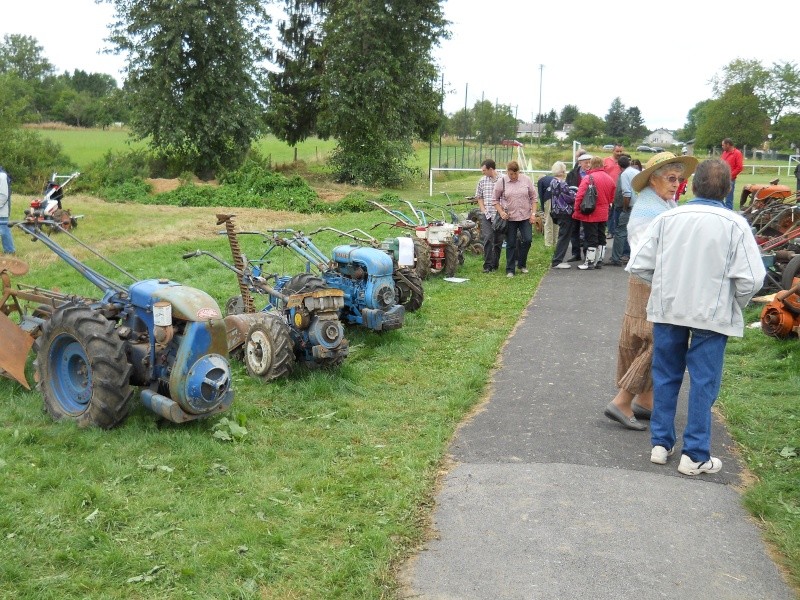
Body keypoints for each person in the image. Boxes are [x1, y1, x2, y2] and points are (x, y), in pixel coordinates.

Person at [628, 158, 765, 475]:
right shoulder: (735, 224)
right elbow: (753, 279)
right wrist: (735, 302)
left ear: (693, 185)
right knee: (704, 382)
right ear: (728, 188)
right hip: (712, 313)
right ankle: (695, 453)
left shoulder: (668, 219)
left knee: (666, 375)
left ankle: (660, 445)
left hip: (669, 307)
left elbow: (639, 264)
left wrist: (662, 285)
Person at [604, 151, 698, 431]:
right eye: (671, 178)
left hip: (648, 281)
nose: (676, 184)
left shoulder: (658, 203)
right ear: (653, 179)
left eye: (679, 179)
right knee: (658, 342)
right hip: (651, 282)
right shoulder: (651, 210)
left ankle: (645, 401)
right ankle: (622, 401)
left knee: (643, 340)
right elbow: (653, 254)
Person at [493, 160, 537, 278]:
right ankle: (510, 269)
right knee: (511, 243)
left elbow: (533, 198)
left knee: (527, 240)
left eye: (515, 174)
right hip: (510, 218)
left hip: (525, 216)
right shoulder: (501, 182)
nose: (513, 176)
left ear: (518, 172)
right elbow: (495, 200)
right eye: (510, 174)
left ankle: (522, 264)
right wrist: (501, 212)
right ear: (507, 172)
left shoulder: (526, 180)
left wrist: (533, 214)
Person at [572, 155, 614, 270]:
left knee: (591, 237)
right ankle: (599, 261)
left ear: (592, 164)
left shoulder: (588, 178)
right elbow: (611, 197)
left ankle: (589, 262)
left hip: (591, 212)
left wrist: (576, 209)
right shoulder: (609, 178)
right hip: (604, 212)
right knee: (601, 237)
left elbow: (580, 195)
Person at [474, 159, 503, 273]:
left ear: (491, 169)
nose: (483, 172)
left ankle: (495, 264)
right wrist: (483, 209)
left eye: (484, 170)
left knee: (498, 240)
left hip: (499, 215)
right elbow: (479, 197)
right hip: (487, 215)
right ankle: (487, 265)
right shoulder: (482, 181)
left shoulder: (503, 179)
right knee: (487, 238)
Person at [546, 161, 575, 269]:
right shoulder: (562, 183)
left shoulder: (553, 182)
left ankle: (557, 259)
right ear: (562, 171)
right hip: (565, 211)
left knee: (562, 235)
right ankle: (557, 260)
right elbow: (569, 197)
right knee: (564, 236)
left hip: (557, 211)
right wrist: (575, 195)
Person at [608, 154, 636, 266]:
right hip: (636, 206)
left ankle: (616, 258)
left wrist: (624, 208)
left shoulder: (625, 174)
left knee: (620, 232)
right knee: (631, 232)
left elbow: (626, 193)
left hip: (627, 206)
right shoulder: (635, 172)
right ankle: (628, 254)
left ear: (619, 166)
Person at [566, 151, 591, 262]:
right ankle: (576, 253)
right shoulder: (572, 174)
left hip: (588, 205)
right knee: (574, 229)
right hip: (574, 204)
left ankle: (586, 253)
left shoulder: (592, 174)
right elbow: (567, 188)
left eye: (589, 162)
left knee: (587, 230)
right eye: (585, 163)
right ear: (580, 163)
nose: (588, 165)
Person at [604, 144, 624, 238]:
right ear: (613, 151)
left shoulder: (623, 162)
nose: (619, 153)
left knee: (619, 211)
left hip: (620, 191)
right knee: (609, 212)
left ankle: (618, 231)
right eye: (617, 151)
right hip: (608, 190)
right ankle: (610, 231)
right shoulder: (606, 161)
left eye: (621, 151)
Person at [720, 138, 742, 210]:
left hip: (730, 180)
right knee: (719, 197)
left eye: (723, 145)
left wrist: (730, 176)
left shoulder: (737, 153)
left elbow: (739, 167)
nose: (722, 147)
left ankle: (728, 213)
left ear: (728, 145)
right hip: (721, 179)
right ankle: (722, 211)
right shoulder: (724, 153)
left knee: (729, 199)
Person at [537, 166, 556, 248]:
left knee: (548, 221)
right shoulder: (552, 177)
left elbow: (541, 195)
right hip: (558, 199)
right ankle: (556, 242)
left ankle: (548, 244)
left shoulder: (540, 181)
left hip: (548, 199)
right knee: (556, 221)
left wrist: (542, 208)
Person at [0, 166, 15, 255]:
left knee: (4, 231)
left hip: (2, 211)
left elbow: (4, 195)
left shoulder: (2, 176)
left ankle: (10, 251)